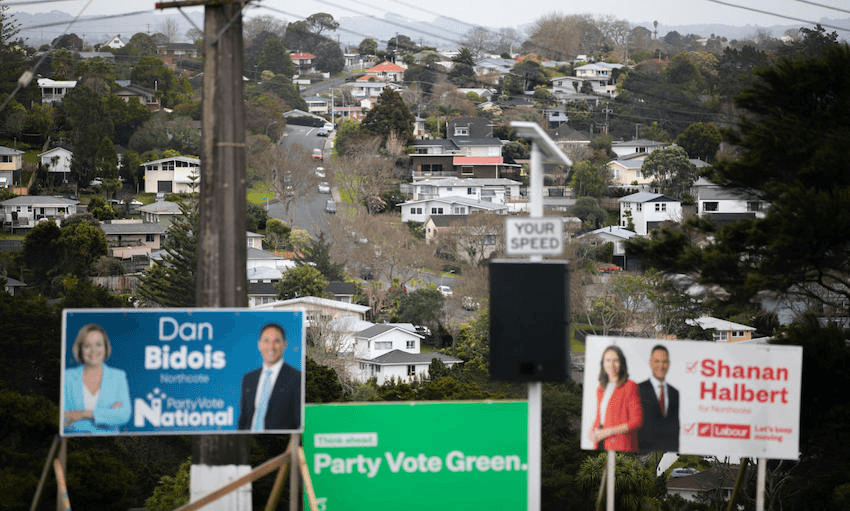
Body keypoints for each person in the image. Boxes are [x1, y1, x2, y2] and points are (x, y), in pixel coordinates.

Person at [63, 324, 131, 433]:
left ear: (105, 347)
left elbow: (123, 415)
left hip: (109, 443)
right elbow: (62, 418)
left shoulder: (118, 376)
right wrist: (107, 414)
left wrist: (83, 414)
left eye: (98, 344)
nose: (93, 350)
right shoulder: (67, 377)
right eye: (87, 346)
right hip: (74, 441)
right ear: (80, 349)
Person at [238, 323, 302, 431]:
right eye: (266, 341)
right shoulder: (249, 379)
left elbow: (298, 422)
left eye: (276, 341)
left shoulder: (296, 378)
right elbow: (244, 419)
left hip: (278, 444)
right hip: (248, 442)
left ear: (284, 344)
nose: (271, 347)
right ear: (259, 345)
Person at [588, 345, 643, 452]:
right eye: (608, 360)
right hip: (600, 442)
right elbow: (601, 416)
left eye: (616, 360)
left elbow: (637, 421)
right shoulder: (601, 388)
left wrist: (608, 432)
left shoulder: (630, 386)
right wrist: (592, 429)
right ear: (603, 363)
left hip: (621, 444)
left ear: (622, 364)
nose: (611, 364)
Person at [638, 345, 680, 452]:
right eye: (657, 361)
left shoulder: (675, 393)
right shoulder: (637, 390)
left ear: (669, 364)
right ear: (650, 363)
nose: (661, 365)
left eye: (664, 361)